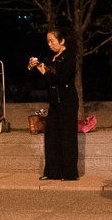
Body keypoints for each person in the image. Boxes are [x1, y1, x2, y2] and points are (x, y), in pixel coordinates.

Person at [29, 28, 79, 180]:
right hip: (54, 102)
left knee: (67, 137)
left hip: (67, 101)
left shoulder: (69, 56)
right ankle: (52, 172)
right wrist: (36, 66)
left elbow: (62, 77)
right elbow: (50, 77)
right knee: (51, 136)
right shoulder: (52, 58)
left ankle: (69, 173)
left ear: (62, 41)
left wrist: (46, 70)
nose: (49, 44)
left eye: (52, 41)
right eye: (48, 41)